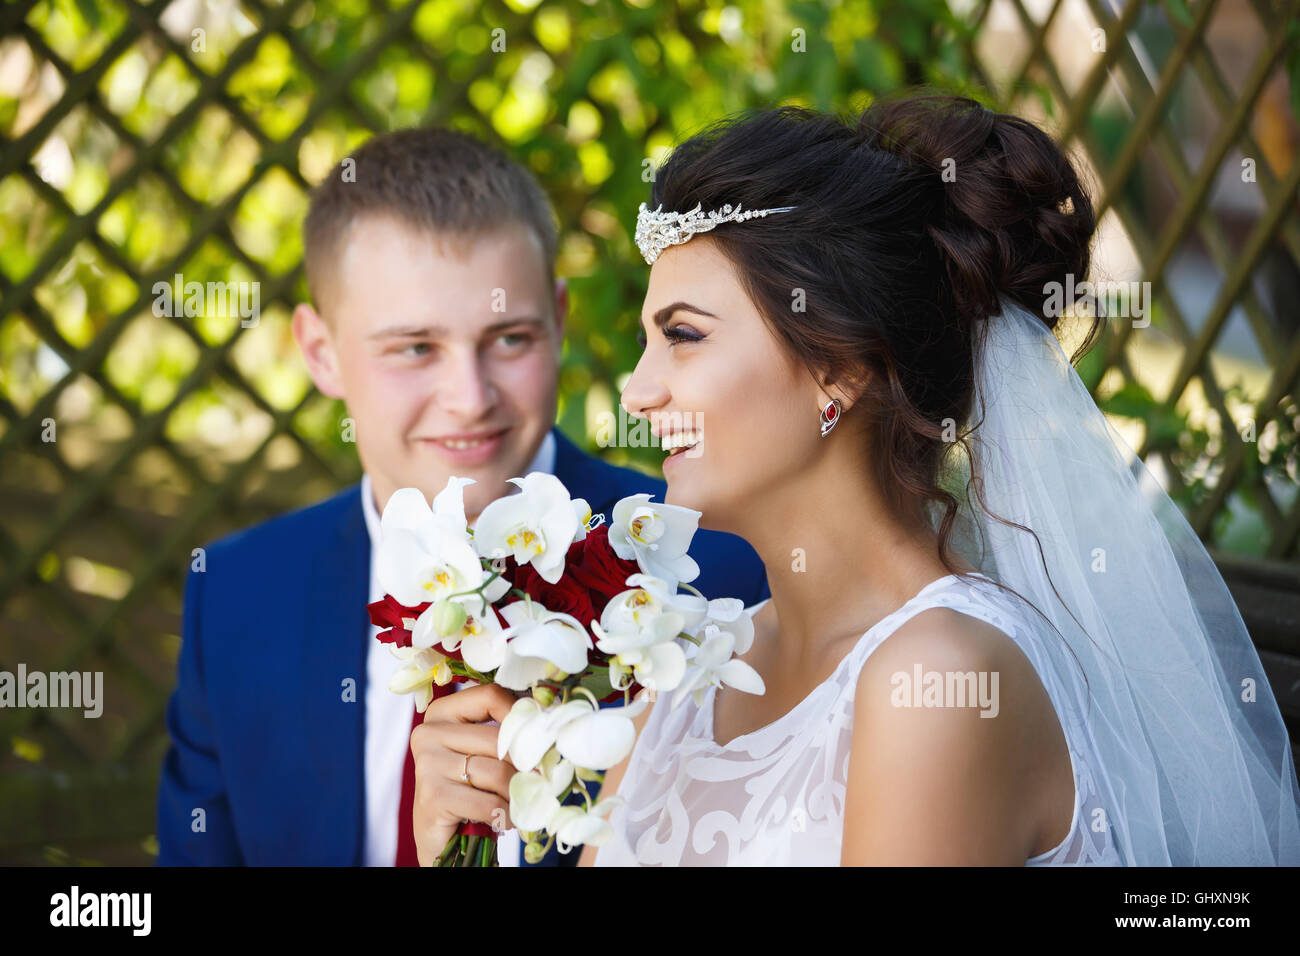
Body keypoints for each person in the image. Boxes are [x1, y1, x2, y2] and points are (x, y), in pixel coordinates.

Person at [563, 91, 1298, 865]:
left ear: (838, 371)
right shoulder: (692, 665)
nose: (637, 392)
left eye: (682, 336)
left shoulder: (941, 679)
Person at [155, 127, 769, 867]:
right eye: (415, 348)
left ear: (560, 320)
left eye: (509, 339)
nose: (470, 399)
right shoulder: (238, 599)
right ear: (321, 353)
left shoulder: (714, 573)